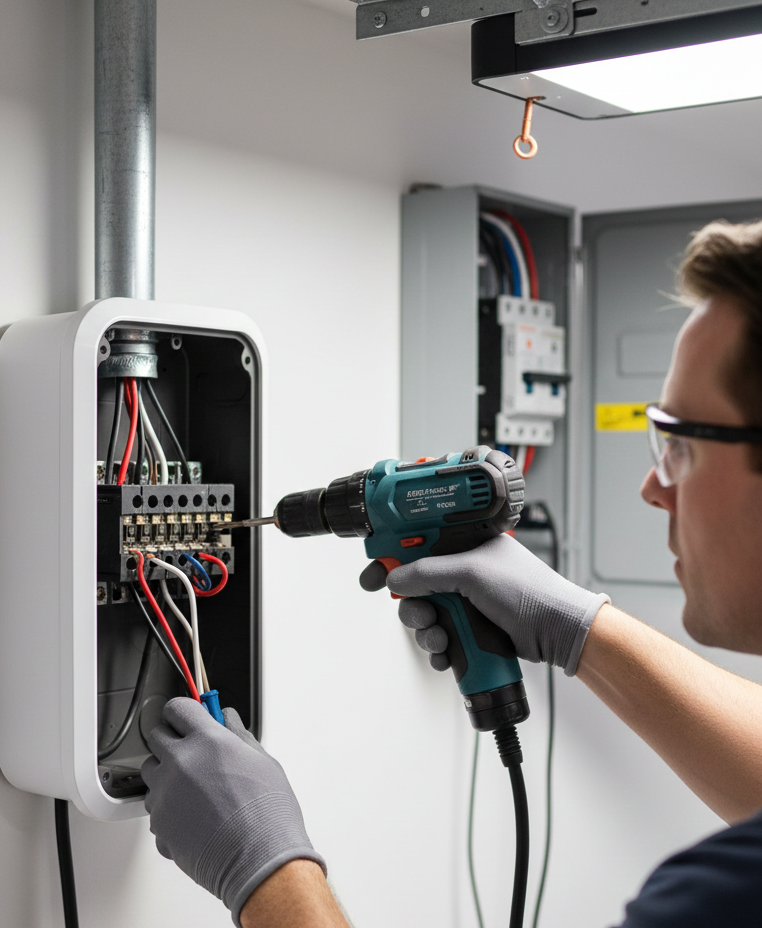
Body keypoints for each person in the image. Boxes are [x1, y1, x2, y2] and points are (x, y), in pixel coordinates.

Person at [140, 220, 762, 928]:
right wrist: (579, 630)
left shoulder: (722, 899)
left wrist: (263, 870)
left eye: (679, 445)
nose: (654, 487)